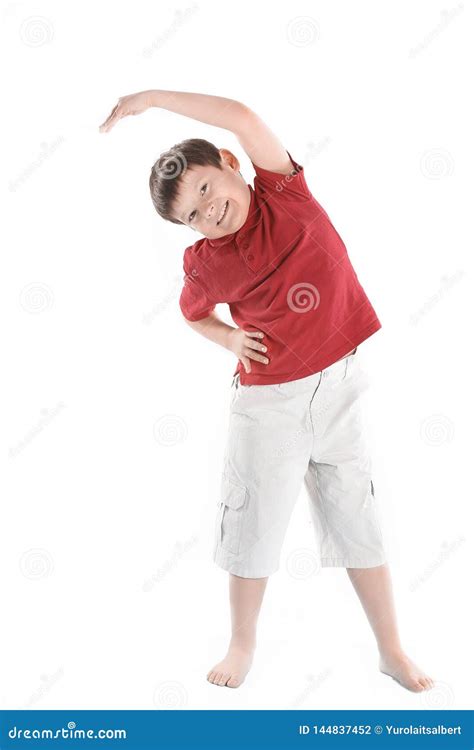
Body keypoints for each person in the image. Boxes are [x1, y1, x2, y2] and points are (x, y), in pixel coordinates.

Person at [99, 89, 434, 692]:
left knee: (360, 521)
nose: (208, 213)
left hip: (341, 389)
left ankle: (391, 649)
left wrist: (149, 99)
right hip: (267, 404)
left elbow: (242, 116)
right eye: (191, 216)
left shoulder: (284, 190)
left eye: (204, 190)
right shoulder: (206, 263)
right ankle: (242, 643)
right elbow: (193, 314)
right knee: (252, 525)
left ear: (230, 163)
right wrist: (230, 341)